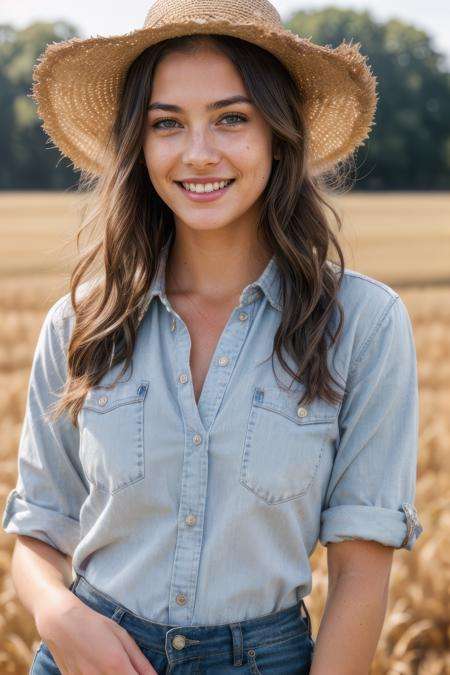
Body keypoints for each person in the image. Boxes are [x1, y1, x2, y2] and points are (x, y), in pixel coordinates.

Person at [2, 0, 423, 673]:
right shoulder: (80, 320)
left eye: (232, 118)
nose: (198, 153)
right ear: (139, 147)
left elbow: (360, 577)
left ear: (278, 134)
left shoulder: (363, 325)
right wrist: (64, 620)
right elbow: (36, 535)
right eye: (166, 123)